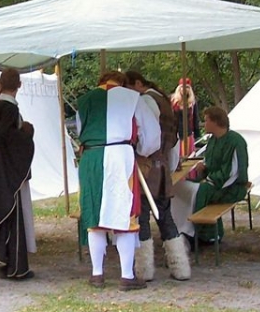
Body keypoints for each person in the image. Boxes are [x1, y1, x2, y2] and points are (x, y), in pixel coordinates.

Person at [76, 70, 160, 291]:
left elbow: (80, 129)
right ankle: (126, 275)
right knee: (125, 213)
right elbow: (151, 136)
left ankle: (97, 274)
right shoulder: (132, 98)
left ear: (100, 82)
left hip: (91, 158)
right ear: (121, 84)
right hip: (120, 156)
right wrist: (140, 151)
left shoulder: (84, 101)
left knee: (94, 214)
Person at [125, 70, 190, 281]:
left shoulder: (146, 101)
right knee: (165, 217)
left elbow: (149, 139)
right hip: (161, 166)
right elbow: (172, 141)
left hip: (148, 167)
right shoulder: (162, 100)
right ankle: (180, 268)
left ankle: (144, 271)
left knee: (143, 217)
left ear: (136, 84)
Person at [0, 68, 37, 280]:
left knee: (1, 214)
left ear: (1, 84)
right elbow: (7, 138)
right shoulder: (9, 109)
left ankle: (1, 261)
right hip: (7, 171)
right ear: (19, 85)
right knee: (13, 215)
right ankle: (16, 267)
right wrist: (26, 133)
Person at [173, 106, 249, 248]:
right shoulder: (213, 140)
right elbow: (211, 163)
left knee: (198, 192)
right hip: (215, 184)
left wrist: (210, 181)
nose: (204, 123)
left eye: (207, 120)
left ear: (216, 122)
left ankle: (194, 234)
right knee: (177, 189)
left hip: (231, 188)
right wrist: (205, 168)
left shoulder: (236, 141)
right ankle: (181, 229)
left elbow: (235, 173)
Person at [171, 77, 200, 158]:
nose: (184, 89)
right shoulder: (173, 102)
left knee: (188, 156)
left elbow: (195, 118)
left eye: (187, 87)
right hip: (176, 134)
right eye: (182, 87)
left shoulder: (192, 103)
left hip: (188, 133)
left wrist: (197, 134)